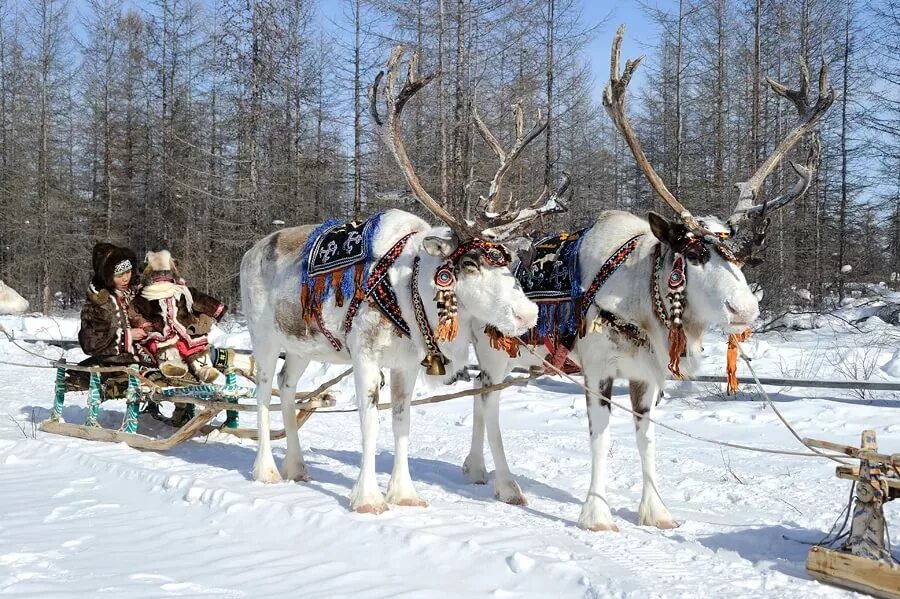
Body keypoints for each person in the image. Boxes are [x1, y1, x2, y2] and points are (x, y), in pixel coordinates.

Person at [133, 249, 227, 383]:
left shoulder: (182, 291)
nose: (161, 278)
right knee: (166, 350)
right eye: (157, 274)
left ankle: (204, 369)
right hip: (161, 334)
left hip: (186, 331)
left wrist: (216, 309)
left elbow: (200, 299)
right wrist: (145, 327)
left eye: (164, 273)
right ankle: (172, 365)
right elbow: (137, 315)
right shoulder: (144, 296)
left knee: (194, 348)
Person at [78, 243, 152, 365]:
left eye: (128, 272)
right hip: (114, 365)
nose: (125, 278)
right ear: (108, 276)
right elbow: (90, 343)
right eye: (119, 275)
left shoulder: (137, 292)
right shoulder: (98, 304)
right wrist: (127, 336)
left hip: (146, 358)